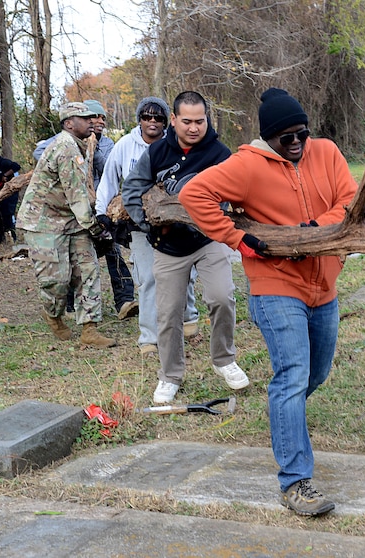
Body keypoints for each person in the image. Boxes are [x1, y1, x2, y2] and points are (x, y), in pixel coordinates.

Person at [179, 87, 358, 517]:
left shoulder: (327, 153)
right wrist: (241, 240)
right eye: (285, 137)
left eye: (302, 133)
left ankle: (284, 415)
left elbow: (348, 201)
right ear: (267, 138)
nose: (296, 142)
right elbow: (193, 196)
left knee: (313, 375)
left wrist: (313, 231)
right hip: (276, 286)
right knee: (293, 376)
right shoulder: (246, 165)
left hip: (325, 286)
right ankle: (296, 481)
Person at [122, 91, 248, 403]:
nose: (194, 128)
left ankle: (224, 360)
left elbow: (239, 189)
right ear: (174, 120)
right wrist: (148, 221)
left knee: (221, 297)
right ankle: (170, 376)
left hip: (209, 240)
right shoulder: (156, 152)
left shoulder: (219, 152)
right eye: (187, 121)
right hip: (168, 245)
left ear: (208, 120)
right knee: (168, 313)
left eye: (200, 121)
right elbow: (133, 187)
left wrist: (235, 208)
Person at [96, 96, 201, 355]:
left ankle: (188, 319)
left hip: (177, 220)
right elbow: (109, 179)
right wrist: (102, 213)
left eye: (158, 117)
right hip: (139, 222)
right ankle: (149, 338)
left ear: (167, 121)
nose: (152, 122)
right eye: (146, 116)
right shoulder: (124, 147)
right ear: (139, 119)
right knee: (148, 278)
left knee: (184, 272)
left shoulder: (177, 144)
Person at [16, 101, 117, 349]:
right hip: (43, 223)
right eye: (84, 118)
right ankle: (52, 314)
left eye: (92, 118)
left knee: (88, 269)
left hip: (71, 219)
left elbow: (82, 193)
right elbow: (77, 196)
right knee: (56, 280)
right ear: (69, 123)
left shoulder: (80, 145)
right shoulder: (65, 147)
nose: (91, 122)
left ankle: (89, 329)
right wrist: (96, 228)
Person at [83, 99, 138, 321]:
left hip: (103, 210)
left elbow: (111, 168)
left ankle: (125, 301)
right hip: (75, 212)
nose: (100, 121)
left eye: (103, 118)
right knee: (78, 259)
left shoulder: (108, 145)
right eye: (95, 117)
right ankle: (70, 305)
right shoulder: (66, 141)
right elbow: (40, 153)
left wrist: (94, 150)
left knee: (113, 252)